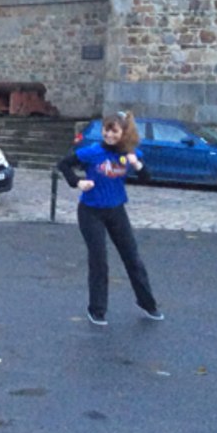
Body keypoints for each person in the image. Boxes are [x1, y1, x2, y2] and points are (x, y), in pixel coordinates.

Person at [56, 111, 162, 325]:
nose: (109, 135)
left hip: (116, 210)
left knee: (132, 257)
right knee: (99, 260)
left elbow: (147, 177)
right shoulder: (92, 152)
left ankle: (147, 303)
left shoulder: (129, 153)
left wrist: (137, 164)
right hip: (91, 211)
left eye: (114, 131)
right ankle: (97, 309)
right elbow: (64, 164)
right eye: (106, 130)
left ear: (123, 133)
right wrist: (77, 182)